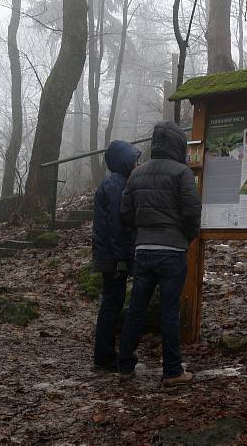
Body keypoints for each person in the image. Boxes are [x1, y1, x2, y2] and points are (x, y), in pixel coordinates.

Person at [118, 122, 201, 386]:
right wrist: (185, 237)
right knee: (168, 310)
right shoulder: (182, 173)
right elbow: (191, 212)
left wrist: (141, 234)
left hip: (143, 251)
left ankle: (125, 364)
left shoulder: (137, 174)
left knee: (136, 309)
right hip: (172, 251)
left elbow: (126, 212)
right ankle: (173, 371)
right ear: (178, 145)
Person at [92, 140, 141, 372]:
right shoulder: (116, 184)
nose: (136, 163)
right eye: (133, 159)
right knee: (112, 304)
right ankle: (104, 356)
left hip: (109, 253)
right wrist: (122, 258)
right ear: (123, 161)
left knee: (112, 303)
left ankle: (105, 353)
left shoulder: (115, 182)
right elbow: (117, 224)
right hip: (113, 256)